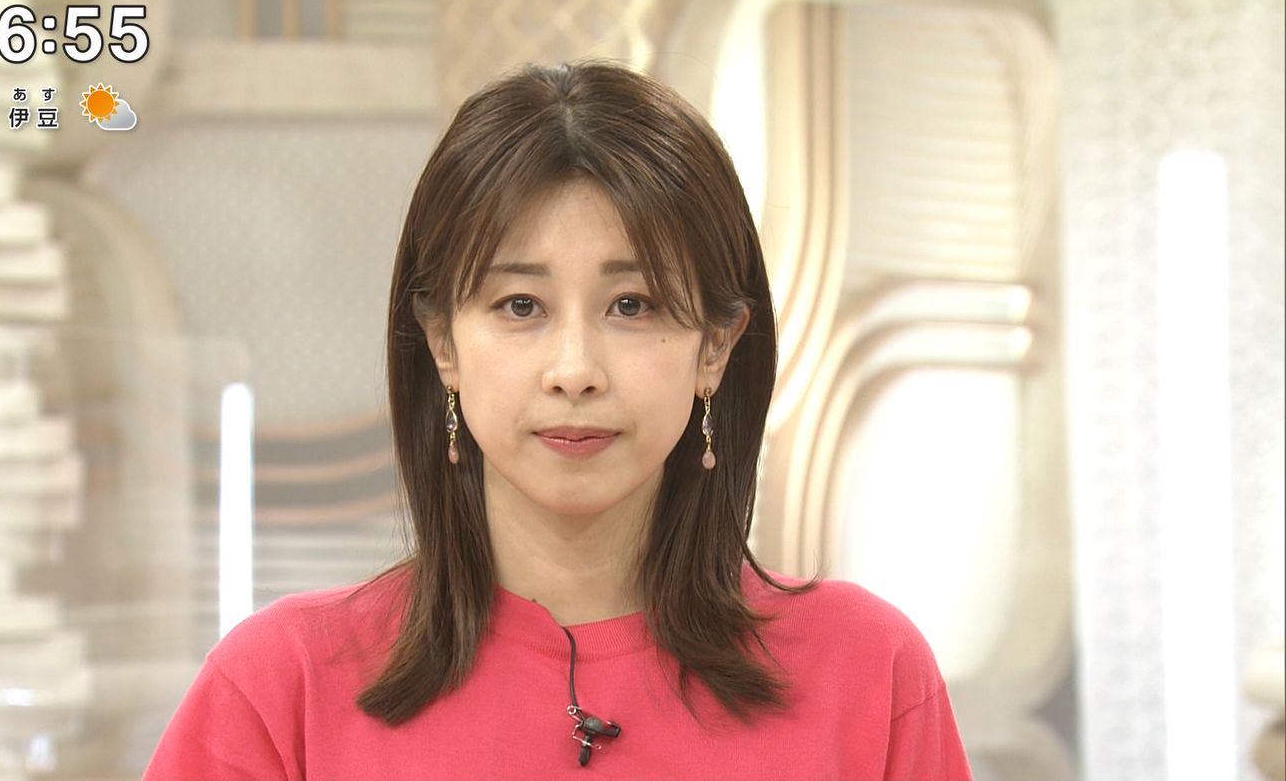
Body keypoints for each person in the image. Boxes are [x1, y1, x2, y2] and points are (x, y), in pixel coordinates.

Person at [143, 60, 972, 780]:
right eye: (520, 305)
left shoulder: (869, 674)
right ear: (443, 344)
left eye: (632, 304)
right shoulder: (280, 688)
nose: (574, 370)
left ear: (716, 347)